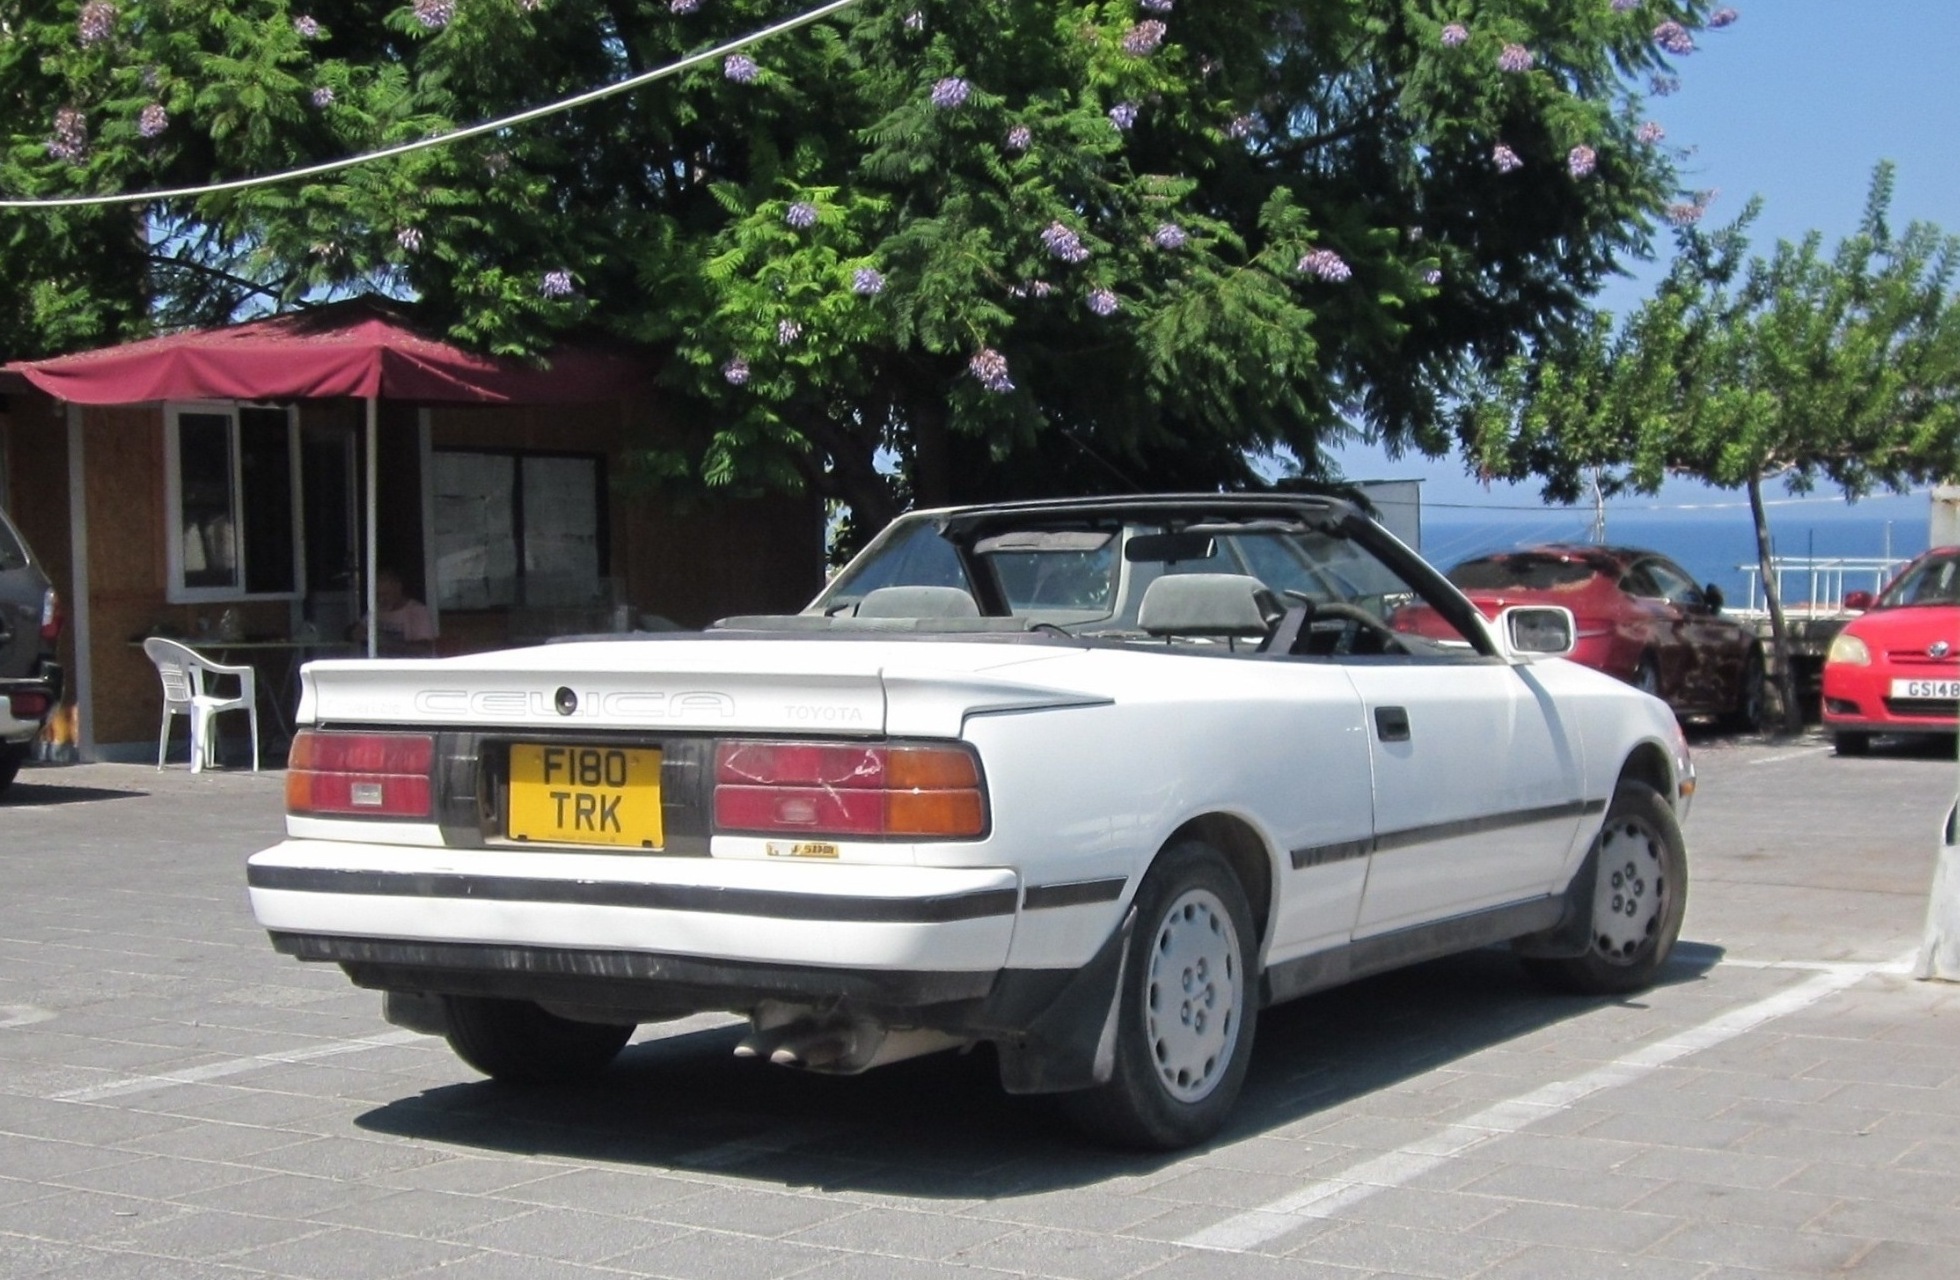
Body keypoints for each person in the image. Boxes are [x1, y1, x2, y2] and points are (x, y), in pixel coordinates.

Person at [354, 568, 438, 656]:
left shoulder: (417, 611)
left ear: (398, 588)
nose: (381, 599)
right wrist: (356, 632)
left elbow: (425, 649)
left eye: (385, 594)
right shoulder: (377, 609)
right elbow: (357, 629)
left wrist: (388, 643)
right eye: (378, 595)